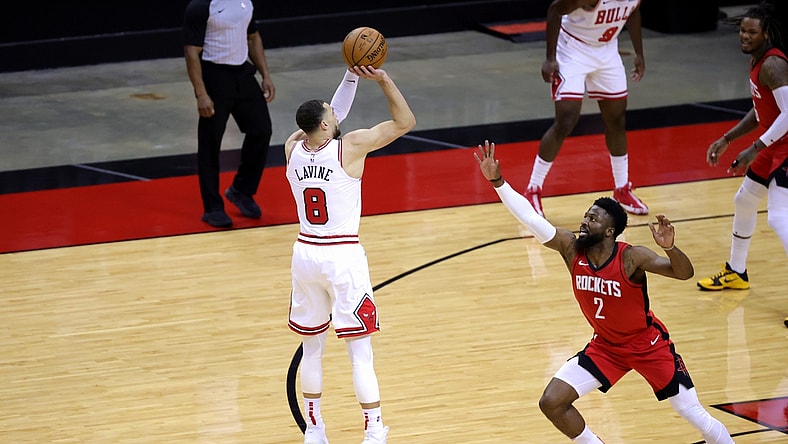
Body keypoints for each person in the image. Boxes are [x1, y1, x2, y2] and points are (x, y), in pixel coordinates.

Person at [474, 140, 734, 443]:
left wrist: (670, 248)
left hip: (648, 345)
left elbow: (684, 273)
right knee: (552, 402)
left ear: (610, 231)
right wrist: (498, 182)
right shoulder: (571, 249)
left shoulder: (630, 256)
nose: (585, 221)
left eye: (593, 218)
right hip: (607, 347)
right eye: (586, 215)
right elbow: (532, 219)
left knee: (692, 412)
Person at [285, 65, 416, 444]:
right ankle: (374, 432)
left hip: (305, 254)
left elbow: (327, 117)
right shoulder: (351, 146)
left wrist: (350, 76)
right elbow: (405, 121)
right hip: (342, 257)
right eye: (331, 114)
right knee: (361, 355)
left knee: (312, 351)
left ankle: (315, 430)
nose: (336, 115)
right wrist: (384, 79)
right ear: (326, 125)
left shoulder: (292, 148)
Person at [697, 3, 788, 327]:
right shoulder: (759, 62)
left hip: (784, 146)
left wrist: (754, 147)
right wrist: (727, 138)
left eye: (752, 31)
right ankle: (736, 272)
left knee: (779, 218)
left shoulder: (774, 64)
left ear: (767, 33)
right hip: (773, 143)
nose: (744, 36)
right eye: (741, 30)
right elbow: (762, 110)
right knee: (744, 199)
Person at [525, 0, 649, 217]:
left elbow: (634, 12)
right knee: (566, 119)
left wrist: (639, 53)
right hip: (573, 49)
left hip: (606, 50)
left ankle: (622, 189)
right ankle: (532, 190)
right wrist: (550, 58)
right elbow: (555, 9)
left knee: (617, 119)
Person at [183, 0, 275, 228]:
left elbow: (253, 37)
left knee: (262, 130)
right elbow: (191, 52)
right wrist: (201, 93)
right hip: (214, 75)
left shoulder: (245, 2)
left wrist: (265, 74)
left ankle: (241, 190)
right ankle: (212, 208)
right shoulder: (201, 6)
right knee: (210, 143)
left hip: (242, 74)